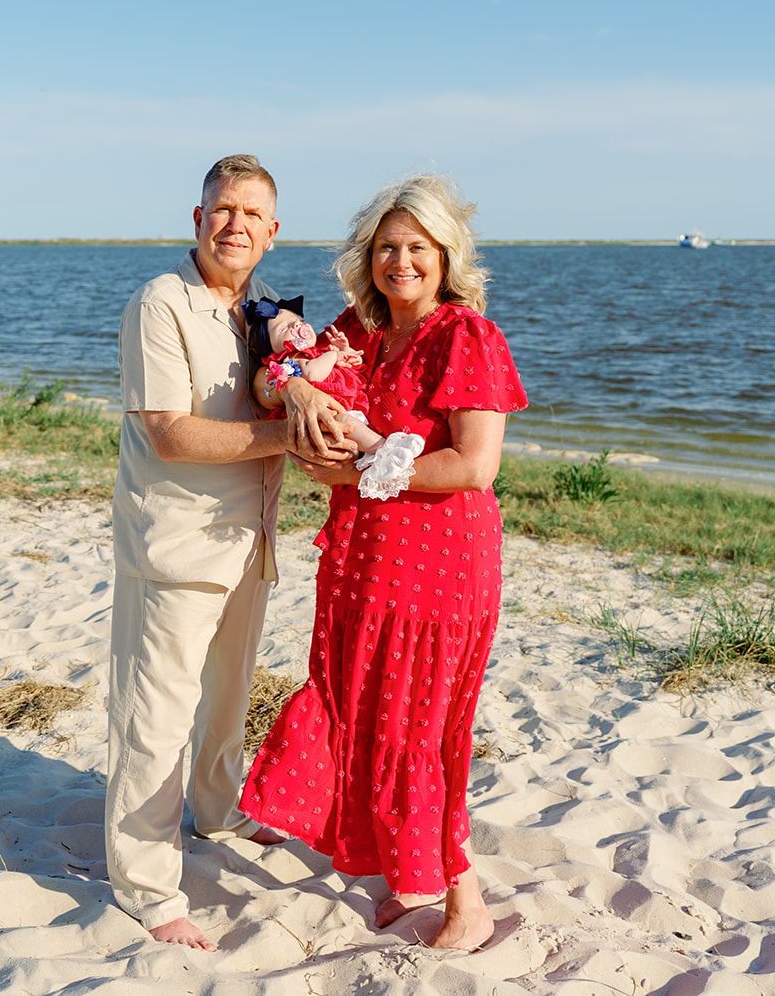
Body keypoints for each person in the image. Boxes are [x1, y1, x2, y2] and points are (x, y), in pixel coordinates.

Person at [240, 174, 528, 951]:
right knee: (355, 706)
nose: (400, 260)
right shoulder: (359, 331)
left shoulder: (465, 335)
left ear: (444, 257)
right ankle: (407, 879)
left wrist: (357, 465)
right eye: (387, 247)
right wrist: (295, 388)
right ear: (368, 259)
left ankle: (467, 901)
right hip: (360, 557)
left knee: (422, 729)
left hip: (440, 564)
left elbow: (473, 466)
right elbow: (277, 357)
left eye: (417, 248)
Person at [107, 154, 350, 951]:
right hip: (175, 547)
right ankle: (146, 883)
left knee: (227, 694)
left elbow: (291, 385)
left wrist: (321, 396)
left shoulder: (264, 312)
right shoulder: (161, 304)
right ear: (198, 217)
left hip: (251, 543)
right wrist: (292, 432)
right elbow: (169, 432)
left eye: (251, 214)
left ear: (272, 232)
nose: (235, 223)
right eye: (223, 208)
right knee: (155, 717)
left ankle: (216, 809)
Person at [242, 296, 424, 500]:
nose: (297, 326)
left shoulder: (316, 352)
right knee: (345, 423)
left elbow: (352, 367)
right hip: (328, 416)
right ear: (273, 349)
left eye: (299, 322)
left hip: (348, 405)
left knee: (352, 424)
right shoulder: (293, 360)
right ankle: (384, 450)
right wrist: (332, 356)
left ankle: (375, 458)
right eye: (286, 329)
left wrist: (345, 353)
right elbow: (313, 374)